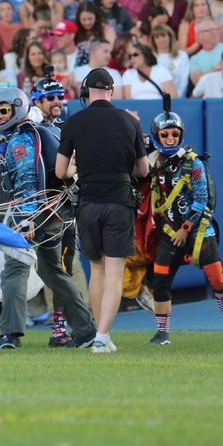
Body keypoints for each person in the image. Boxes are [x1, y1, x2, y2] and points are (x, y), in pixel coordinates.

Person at [0, 86, 97, 350]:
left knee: (14, 270)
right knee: (53, 272)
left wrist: (25, 219)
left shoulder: (21, 139)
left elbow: (27, 180)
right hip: (56, 214)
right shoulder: (40, 132)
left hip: (33, 216)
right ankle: (87, 330)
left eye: (4, 110)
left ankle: (9, 334)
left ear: (18, 108)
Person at [55, 68, 149, 353]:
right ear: (111, 91)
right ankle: (102, 337)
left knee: (96, 269)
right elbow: (143, 170)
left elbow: (60, 172)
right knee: (114, 272)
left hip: (88, 203)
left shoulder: (73, 122)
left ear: (85, 93)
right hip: (119, 202)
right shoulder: (128, 121)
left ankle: (100, 333)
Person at [147, 106, 223, 347]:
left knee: (218, 280)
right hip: (169, 231)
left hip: (200, 231)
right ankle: (162, 334)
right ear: (156, 136)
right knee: (159, 283)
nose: (170, 138)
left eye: (175, 134)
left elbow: (204, 200)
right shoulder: (153, 162)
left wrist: (187, 228)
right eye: (165, 134)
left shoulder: (194, 164)